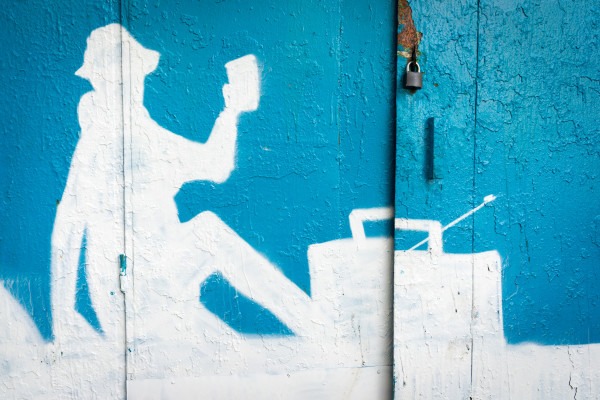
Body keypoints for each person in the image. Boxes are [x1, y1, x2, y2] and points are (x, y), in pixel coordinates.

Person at [50, 24, 324, 379]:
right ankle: (319, 326)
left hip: (154, 295)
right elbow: (67, 231)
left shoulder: (140, 135)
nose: (130, 83)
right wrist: (64, 327)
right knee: (208, 231)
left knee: (235, 355)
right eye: (121, 76)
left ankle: (315, 331)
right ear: (103, 81)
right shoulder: (105, 140)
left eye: (132, 74)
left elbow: (215, 166)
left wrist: (231, 112)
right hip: (133, 296)